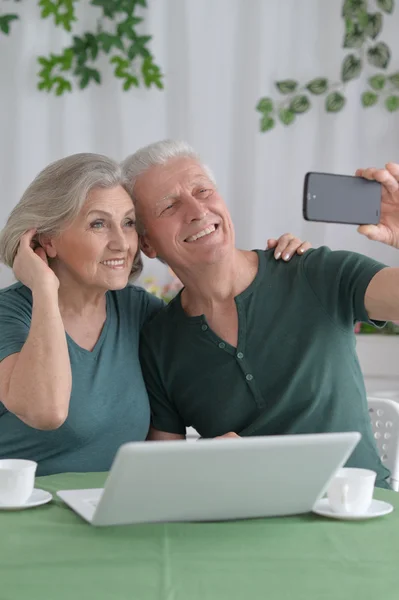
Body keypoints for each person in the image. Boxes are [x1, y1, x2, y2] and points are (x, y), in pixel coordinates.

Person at [0, 152, 307, 476]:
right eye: (98, 224)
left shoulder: (139, 311)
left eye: (129, 223)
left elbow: (231, 362)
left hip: (106, 513)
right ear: (46, 240)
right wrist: (44, 289)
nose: (121, 243)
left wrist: (283, 274)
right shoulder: (9, 314)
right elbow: (47, 411)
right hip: (20, 516)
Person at [122, 139, 399, 489]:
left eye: (203, 191)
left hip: (358, 513)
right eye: (169, 206)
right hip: (249, 525)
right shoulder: (158, 342)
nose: (196, 211)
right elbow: (166, 482)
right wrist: (206, 463)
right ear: (147, 243)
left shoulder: (314, 272)